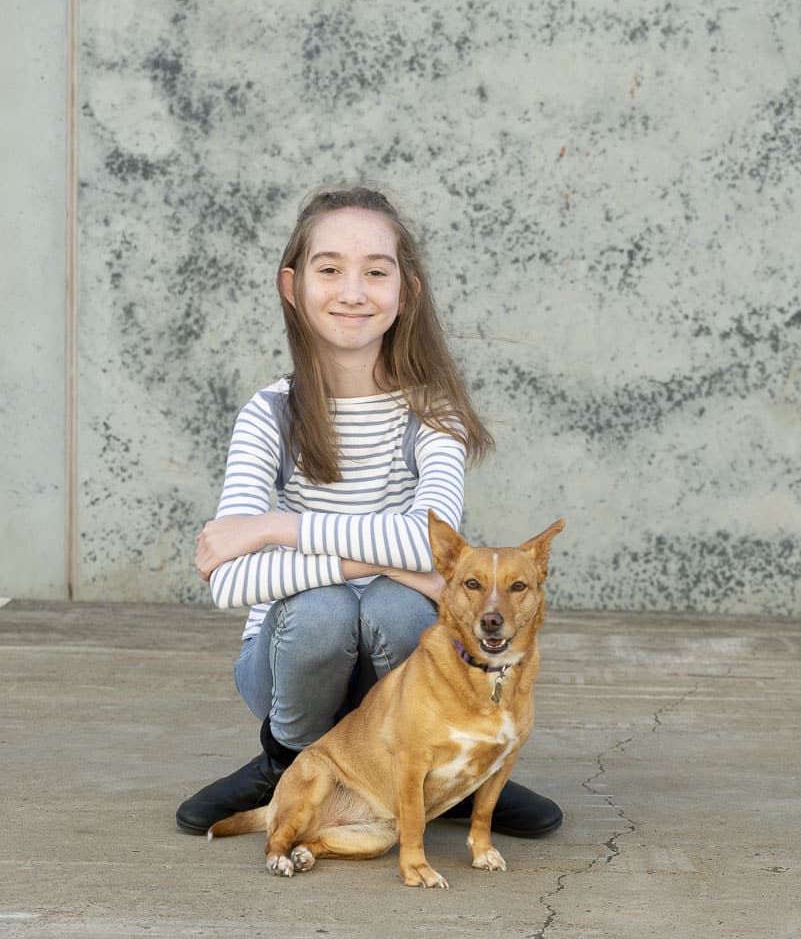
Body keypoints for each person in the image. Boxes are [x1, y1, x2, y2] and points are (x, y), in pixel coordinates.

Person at [176, 186, 562, 839]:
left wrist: (273, 528)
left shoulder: (432, 413)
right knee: (326, 610)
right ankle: (288, 760)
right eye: (329, 269)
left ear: (405, 292)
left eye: (376, 272)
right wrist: (403, 569)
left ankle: (444, 767)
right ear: (293, 287)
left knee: (395, 607)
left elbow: (425, 543)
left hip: (412, 681)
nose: (352, 292)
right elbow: (229, 583)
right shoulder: (269, 414)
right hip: (287, 664)